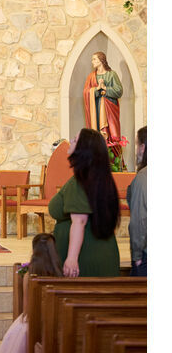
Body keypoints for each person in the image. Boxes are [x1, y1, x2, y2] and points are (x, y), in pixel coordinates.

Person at [48, 127, 120, 277]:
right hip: (104, 252)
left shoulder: (81, 180)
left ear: (84, 149)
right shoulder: (101, 177)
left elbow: (79, 222)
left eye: (75, 139)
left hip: (84, 259)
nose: (70, 141)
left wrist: (72, 259)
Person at [0, 233, 63, 353]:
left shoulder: (29, 275)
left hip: (32, 322)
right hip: (55, 323)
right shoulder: (60, 275)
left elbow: (27, 309)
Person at [83, 52, 123, 155]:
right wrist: (96, 89)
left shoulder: (112, 74)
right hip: (96, 112)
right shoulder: (91, 76)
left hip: (110, 110)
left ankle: (114, 160)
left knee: (113, 134)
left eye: (94, 59)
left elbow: (119, 91)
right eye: (92, 59)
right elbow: (86, 92)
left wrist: (105, 88)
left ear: (101, 60)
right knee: (98, 135)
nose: (92, 62)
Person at [127, 125, 147, 276]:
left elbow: (139, 220)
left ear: (143, 147)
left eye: (137, 144)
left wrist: (137, 256)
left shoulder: (143, 177)